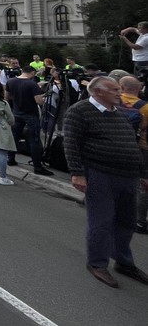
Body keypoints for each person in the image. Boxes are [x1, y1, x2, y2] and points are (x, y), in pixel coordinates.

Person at [63, 76, 148, 288]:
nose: (119, 93)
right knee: (102, 221)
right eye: (114, 90)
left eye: (119, 89)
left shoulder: (119, 114)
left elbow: (132, 144)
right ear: (98, 92)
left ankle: (124, 262)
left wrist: (143, 173)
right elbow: (71, 143)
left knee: (127, 221)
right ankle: (97, 263)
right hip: (100, 173)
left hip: (127, 176)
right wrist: (77, 173)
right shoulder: (79, 111)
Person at [6, 66, 53, 176]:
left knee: (14, 137)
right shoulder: (32, 84)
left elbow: (7, 96)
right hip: (31, 114)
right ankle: (38, 166)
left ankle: (11, 158)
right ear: (32, 73)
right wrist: (44, 96)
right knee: (34, 140)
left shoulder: (11, 81)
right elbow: (39, 102)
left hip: (16, 113)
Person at [118, 75, 148, 234]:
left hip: (114, 146)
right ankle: (140, 221)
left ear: (121, 87)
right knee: (143, 183)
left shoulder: (113, 101)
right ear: (139, 89)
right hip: (140, 147)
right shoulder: (145, 106)